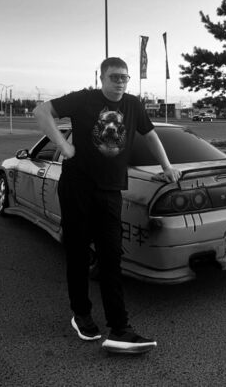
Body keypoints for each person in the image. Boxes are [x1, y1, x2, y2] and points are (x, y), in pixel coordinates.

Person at [33, 57, 181, 354]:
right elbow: (41, 111)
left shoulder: (133, 105)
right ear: (101, 77)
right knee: (77, 252)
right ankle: (81, 314)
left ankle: (120, 328)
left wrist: (166, 166)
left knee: (111, 256)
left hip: (111, 190)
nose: (120, 82)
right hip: (77, 188)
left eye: (125, 77)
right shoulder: (83, 99)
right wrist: (63, 145)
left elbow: (150, 134)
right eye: (114, 77)